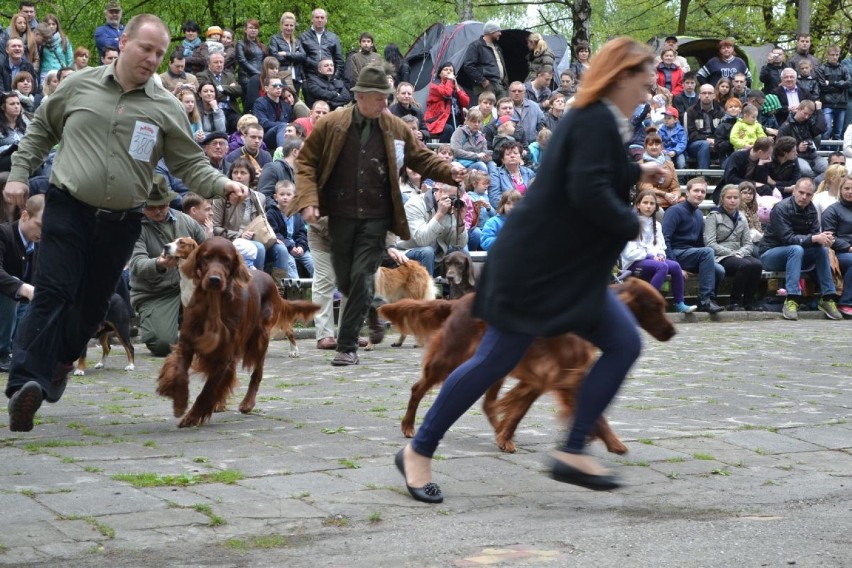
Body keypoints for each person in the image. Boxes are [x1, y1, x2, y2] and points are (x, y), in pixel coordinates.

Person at [394, 38, 668, 503]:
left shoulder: (604, 120)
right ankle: (417, 452)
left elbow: (590, 177)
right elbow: (587, 193)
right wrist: (631, 219)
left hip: (566, 272)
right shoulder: (592, 118)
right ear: (622, 75)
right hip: (535, 270)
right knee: (493, 362)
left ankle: (573, 449)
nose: (650, 88)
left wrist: (638, 175)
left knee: (622, 341)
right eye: (645, 78)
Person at [3, 14, 249, 433]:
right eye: (145, 49)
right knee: (54, 292)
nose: (153, 59)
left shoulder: (165, 106)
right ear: (124, 40)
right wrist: (19, 175)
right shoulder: (78, 84)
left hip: (120, 221)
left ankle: (60, 364)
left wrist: (223, 183)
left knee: (92, 306)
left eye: (159, 53)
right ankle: (27, 383)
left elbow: (190, 163)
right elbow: (41, 130)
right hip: (68, 207)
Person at [291, 65, 462, 367]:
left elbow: (420, 157)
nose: (386, 103)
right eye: (379, 98)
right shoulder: (332, 124)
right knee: (346, 278)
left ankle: (346, 347)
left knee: (360, 276)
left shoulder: (395, 126)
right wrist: (307, 199)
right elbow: (305, 161)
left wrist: (449, 170)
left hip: (376, 217)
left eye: (388, 97)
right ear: (359, 96)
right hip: (338, 216)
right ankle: (371, 308)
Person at [129, 177, 206, 356]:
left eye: (162, 206)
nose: (157, 211)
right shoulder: (134, 227)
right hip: (157, 292)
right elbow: (136, 265)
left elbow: (207, 250)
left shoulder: (186, 220)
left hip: (191, 288)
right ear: (142, 205)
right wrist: (159, 263)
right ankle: (173, 326)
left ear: (169, 202)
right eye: (151, 207)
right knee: (162, 344)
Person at [759, 177, 842, 321]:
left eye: (808, 194)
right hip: (770, 254)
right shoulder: (781, 208)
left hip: (797, 255)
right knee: (795, 249)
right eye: (801, 192)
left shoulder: (811, 210)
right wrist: (814, 238)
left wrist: (824, 238)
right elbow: (787, 239)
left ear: (813, 195)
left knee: (822, 250)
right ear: (794, 191)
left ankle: (828, 298)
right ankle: (792, 299)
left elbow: (814, 236)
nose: (804, 197)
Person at [621, 190, 695, 313]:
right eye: (645, 203)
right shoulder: (631, 223)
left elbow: (661, 246)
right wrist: (651, 257)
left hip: (653, 261)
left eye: (652, 203)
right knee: (662, 267)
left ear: (656, 206)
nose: (649, 206)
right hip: (633, 263)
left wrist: (660, 254)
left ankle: (679, 303)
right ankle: (648, 303)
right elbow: (629, 253)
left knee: (676, 266)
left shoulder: (657, 225)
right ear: (638, 204)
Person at [662, 178, 726, 313]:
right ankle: (706, 300)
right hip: (675, 254)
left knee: (719, 270)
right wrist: (675, 266)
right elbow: (664, 239)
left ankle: (707, 300)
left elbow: (698, 242)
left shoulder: (697, 213)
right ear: (687, 193)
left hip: (691, 255)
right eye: (696, 190)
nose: (699, 194)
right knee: (707, 251)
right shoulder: (674, 211)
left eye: (703, 191)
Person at [0, 194, 42, 373]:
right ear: (25, 216)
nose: (43, 232)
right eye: (40, 225)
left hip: (22, 310)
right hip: (6, 304)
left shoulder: (41, 243)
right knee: (14, 286)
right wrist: (22, 288)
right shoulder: (3, 233)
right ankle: (2, 352)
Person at [704, 184, 763, 310]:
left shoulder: (742, 217)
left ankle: (749, 302)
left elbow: (748, 243)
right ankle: (734, 302)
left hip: (740, 254)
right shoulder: (713, 216)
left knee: (757, 264)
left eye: (735, 197)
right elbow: (710, 243)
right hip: (721, 255)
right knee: (745, 265)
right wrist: (731, 253)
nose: (732, 200)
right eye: (729, 197)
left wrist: (741, 252)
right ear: (722, 198)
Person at [396, 180, 469, 274]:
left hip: (437, 257)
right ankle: (425, 288)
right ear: (441, 191)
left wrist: (460, 221)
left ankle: (456, 288)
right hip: (406, 254)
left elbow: (458, 244)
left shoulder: (452, 209)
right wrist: (439, 214)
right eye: (453, 197)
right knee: (427, 252)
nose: (454, 202)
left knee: (461, 253)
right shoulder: (415, 204)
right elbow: (422, 240)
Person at [820, 174, 852, 317]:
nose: (850, 192)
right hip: (839, 253)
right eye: (847, 188)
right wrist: (849, 247)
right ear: (840, 189)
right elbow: (829, 237)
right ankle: (846, 302)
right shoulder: (832, 210)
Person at [267, 180, 313, 277]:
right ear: (275, 197)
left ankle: (324, 289)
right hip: (284, 248)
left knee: (311, 261)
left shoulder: (297, 214)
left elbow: (302, 232)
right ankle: (295, 289)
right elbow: (275, 233)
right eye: (282, 194)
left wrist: (301, 246)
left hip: (297, 247)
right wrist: (290, 247)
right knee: (290, 263)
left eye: (288, 194)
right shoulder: (272, 213)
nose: (285, 197)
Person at [777, 100, 828, 178]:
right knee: (806, 171)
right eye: (805, 113)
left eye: (809, 115)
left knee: (831, 169)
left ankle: (818, 182)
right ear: (798, 109)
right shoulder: (786, 126)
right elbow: (779, 147)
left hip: (812, 155)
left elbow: (821, 129)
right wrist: (797, 148)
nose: (806, 117)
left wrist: (819, 111)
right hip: (796, 156)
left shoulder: (808, 122)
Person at [195, 51, 241, 133]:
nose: (219, 64)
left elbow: (238, 91)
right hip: (213, 111)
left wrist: (221, 88)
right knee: (223, 126)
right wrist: (228, 92)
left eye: (221, 62)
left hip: (231, 110)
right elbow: (209, 95)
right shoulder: (202, 75)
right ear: (209, 64)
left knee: (242, 124)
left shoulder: (229, 75)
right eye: (216, 62)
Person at [461, 21, 507, 99]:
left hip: (500, 85)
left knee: (503, 109)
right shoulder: (476, 45)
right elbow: (468, 65)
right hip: (486, 86)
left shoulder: (497, 47)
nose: (500, 33)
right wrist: (482, 80)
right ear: (491, 31)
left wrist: (505, 81)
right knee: (487, 110)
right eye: (498, 31)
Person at [717, 136, 773, 201]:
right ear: (760, 152)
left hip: (751, 190)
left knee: (767, 189)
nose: (770, 156)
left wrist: (760, 166)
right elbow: (730, 179)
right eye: (769, 153)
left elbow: (762, 183)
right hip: (734, 187)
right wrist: (753, 183)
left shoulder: (763, 160)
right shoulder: (737, 156)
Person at [636, 129, 680, 212]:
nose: (654, 147)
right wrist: (664, 194)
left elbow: (676, 187)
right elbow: (645, 187)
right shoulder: (640, 165)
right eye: (650, 144)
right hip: (648, 203)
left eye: (657, 144)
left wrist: (675, 196)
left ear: (661, 146)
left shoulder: (669, 164)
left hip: (668, 202)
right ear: (645, 147)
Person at [424, 62, 469, 143]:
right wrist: (449, 80)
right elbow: (446, 93)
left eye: (451, 70)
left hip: (456, 118)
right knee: (449, 129)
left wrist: (457, 88)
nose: (448, 72)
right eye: (445, 69)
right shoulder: (435, 85)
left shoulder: (455, 86)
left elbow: (466, 102)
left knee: (462, 130)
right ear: (440, 73)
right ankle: (443, 152)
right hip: (438, 118)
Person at [685, 83, 724, 169]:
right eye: (704, 93)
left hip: (715, 144)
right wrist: (706, 140)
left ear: (714, 95)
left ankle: (726, 178)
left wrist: (715, 141)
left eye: (710, 93)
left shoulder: (721, 111)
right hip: (695, 144)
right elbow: (691, 134)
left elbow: (723, 133)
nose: (707, 95)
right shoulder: (691, 111)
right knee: (704, 144)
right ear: (699, 95)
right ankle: (704, 176)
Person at [299, 8, 344, 81]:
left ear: (326, 20)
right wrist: (304, 79)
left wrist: (335, 78)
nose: (320, 20)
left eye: (322, 17)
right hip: (310, 77)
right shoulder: (303, 37)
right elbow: (300, 60)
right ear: (312, 19)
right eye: (317, 17)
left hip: (329, 78)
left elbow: (339, 60)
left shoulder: (333, 37)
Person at [488, 141, 535, 208]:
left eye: (515, 153)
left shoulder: (529, 172)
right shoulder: (496, 174)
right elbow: (494, 198)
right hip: (507, 212)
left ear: (520, 157)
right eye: (508, 154)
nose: (512, 156)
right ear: (502, 159)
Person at [268, 12, 305, 97]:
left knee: (294, 101)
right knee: (282, 99)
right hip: (282, 75)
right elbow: (275, 57)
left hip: (296, 76)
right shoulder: (275, 39)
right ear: (281, 25)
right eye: (286, 25)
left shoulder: (297, 41)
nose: (289, 28)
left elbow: (303, 56)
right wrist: (295, 56)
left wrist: (286, 54)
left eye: (291, 25)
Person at [253, 76, 293, 149]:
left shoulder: (286, 106)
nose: (278, 87)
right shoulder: (260, 103)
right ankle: (282, 153)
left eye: (280, 85)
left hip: (284, 134)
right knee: (283, 126)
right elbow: (263, 123)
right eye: (275, 85)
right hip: (266, 136)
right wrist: (284, 125)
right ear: (266, 89)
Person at [820, 46, 850, 142]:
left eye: (836, 55)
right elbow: (823, 87)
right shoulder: (822, 68)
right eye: (832, 55)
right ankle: (824, 151)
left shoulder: (844, 68)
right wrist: (840, 85)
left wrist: (832, 83)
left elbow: (849, 83)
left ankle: (837, 154)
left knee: (838, 132)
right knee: (827, 129)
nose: (834, 57)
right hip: (827, 103)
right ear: (828, 55)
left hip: (841, 104)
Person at [258, 136, 301, 200]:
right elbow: (263, 197)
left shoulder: (299, 173)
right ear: (295, 152)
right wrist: (279, 209)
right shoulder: (272, 168)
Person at [236, 19, 267, 95]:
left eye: (256, 28)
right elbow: (242, 61)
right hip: (247, 78)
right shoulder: (240, 44)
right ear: (245, 30)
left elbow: (266, 61)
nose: (253, 30)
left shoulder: (262, 46)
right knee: (249, 103)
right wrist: (258, 74)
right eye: (251, 28)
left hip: (261, 79)